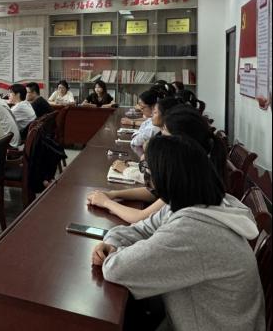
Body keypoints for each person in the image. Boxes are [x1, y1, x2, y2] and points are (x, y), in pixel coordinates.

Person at [93, 135, 265, 331]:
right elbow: (140, 229)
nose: (147, 179)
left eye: (148, 171)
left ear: (167, 177)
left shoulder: (193, 231)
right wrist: (112, 244)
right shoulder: (199, 202)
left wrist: (114, 252)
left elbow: (117, 269)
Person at [87, 104, 228, 224]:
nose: (160, 136)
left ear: (181, 140)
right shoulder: (195, 164)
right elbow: (155, 194)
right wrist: (114, 194)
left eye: (164, 131)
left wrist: (106, 202)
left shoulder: (189, 176)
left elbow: (140, 217)